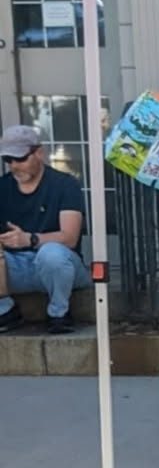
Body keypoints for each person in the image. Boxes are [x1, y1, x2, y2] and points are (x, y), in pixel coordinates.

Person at [0, 125, 91, 334]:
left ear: (39, 153)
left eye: (20, 158)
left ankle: (59, 313)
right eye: (8, 160)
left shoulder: (65, 184)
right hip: (15, 266)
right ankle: (5, 310)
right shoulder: (3, 187)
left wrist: (29, 239)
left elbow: (70, 237)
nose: (14, 166)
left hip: (61, 267)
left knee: (52, 254)